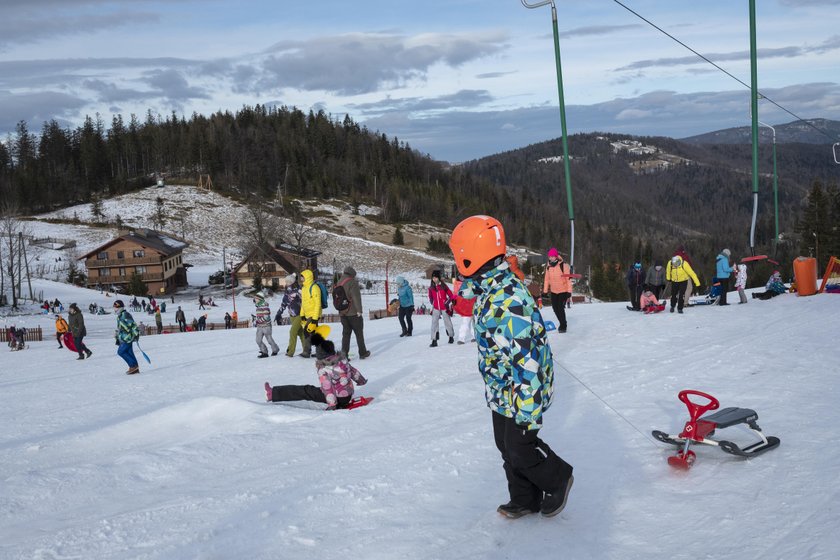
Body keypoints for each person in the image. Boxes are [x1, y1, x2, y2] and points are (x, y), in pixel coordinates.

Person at [449, 215, 573, 519]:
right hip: (500, 385)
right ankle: (524, 498)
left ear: (471, 257)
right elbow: (468, 291)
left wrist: (527, 411)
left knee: (520, 447)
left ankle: (558, 478)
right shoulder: (488, 284)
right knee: (505, 446)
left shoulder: (509, 301)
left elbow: (527, 363)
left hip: (522, 388)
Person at [264, 329, 367, 409]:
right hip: (348, 395)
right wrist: (361, 380)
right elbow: (353, 372)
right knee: (311, 389)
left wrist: (332, 405)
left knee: (305, 390)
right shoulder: (342, 361)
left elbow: (328, 388)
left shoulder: (323, 369)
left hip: (338, 398)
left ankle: (272, 393)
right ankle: (274, 393)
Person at [336, 266, 370, 359]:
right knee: (359, 333)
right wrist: (359, 310)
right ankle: (363, 353)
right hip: (353, 313)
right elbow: (356, 297)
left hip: (342, 313)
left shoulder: (339, 282)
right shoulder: (352, 282)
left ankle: (344, 355)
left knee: (346, 334)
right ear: (352, 274)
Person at [542, 248, 572, 333]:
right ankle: (562, 322)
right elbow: (546, 279)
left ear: (556, 256)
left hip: (563, 290)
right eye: (549, 256)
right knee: (555, 308)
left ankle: (563, 325)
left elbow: (568, 279)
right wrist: (545, 291)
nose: (550, 258)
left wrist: (569, 292)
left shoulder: (563, 266)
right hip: (554, 291)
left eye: (552, 256)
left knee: (560, 308)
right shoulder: (548, 266)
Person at [278, 273, 304, 356]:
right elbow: (284, 302)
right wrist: (279, 313)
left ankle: (290, 351)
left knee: (292, 332)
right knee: (300, 333)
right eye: (286, 281)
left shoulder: (299, 289)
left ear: (292, 281)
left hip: (300, 314)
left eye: (289, 281)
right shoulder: (287, 290)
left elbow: (305, 300)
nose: (287, 283)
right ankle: (307, 349)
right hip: (292, 314)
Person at [299, 269, 323, 358]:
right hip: (307, 314)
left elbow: (318, 304)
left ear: (307, 277)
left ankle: (306, 352)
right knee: (313, 334)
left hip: (314, 314)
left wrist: (315, 318)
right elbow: (303, 302)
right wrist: (302, 314)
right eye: (301, 276)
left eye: (302, 276)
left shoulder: (314, 287)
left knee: (307, 331)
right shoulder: (304, 288)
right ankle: (320, 351)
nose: (301, 278)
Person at [428, 270, 454, 347]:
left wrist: (447, 302)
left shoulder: (443, 286)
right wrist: (432, 302)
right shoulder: (431, 288)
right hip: (436, 307)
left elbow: (451, 295)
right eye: (433, 278)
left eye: (436, 278)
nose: (434, 279)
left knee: (447, 322)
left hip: (444, 307)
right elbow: (430, 297)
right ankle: (434, 340)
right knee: (434, 323)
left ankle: (451, 336)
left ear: (438, 278)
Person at [113, 300, 140, 374]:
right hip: (123, 337)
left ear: (120, 307)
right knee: (129, 352)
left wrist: (136, 334)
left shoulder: (125, 314)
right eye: (114, 307)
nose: (115, 309)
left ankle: (133, 366)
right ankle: (135, 367)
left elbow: (133, 325)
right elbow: (121, 327)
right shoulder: (119, 316)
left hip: (128, 337)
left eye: (116, 307)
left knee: (121, 352)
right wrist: (117, 334)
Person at [252, 291, 279, 358]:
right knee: (258, 340)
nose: (255, 299)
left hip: (266, 326)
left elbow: (266, 317)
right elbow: (259, 316)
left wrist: (258, 321)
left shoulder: (265, 306)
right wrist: (256, 320)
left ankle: (275, 350)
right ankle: (264, 352)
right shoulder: (258, 307)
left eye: (256, 298)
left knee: (269, 340)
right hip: (260, 326)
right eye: (255, 298)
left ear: (260, 299)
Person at [453, 277, 476, 344]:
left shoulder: (470, 282)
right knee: (468, 322)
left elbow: (457, 293)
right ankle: (462, 338)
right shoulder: (464, 283)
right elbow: (457, 293)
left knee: (471, 322)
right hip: (468, 306)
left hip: (472, 305)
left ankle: (472, 336)